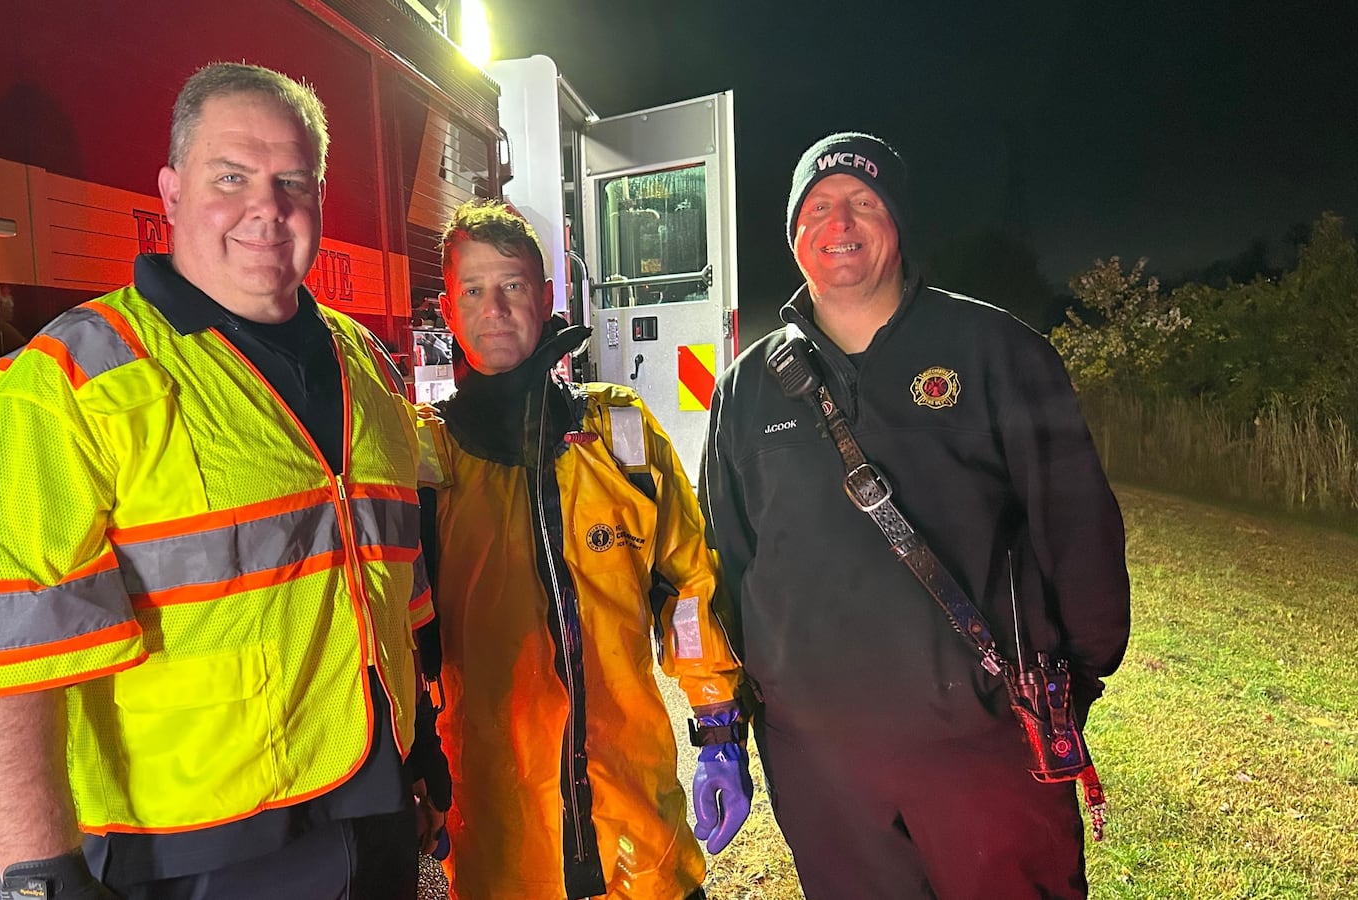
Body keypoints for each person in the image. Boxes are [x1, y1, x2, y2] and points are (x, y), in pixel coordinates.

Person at [0, 63, 434, 899]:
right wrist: (40, 874)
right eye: (231, 177)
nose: (267, 207)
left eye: (291, 180)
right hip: (192, 857)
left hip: (372, 819)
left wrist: (425, 743)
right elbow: (2, 655)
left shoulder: (366, 366)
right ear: (171, 192)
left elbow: (392, 582)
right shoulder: (69, 381)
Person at [699, 132, 1131, 899]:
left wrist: (1073, 684)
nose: (842, 222)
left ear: (897, 222)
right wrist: (742, 713)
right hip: (822, 766)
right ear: (794, 231)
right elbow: (726, 560)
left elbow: (1079, 530)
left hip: (987, 748)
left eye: (865, 203)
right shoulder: (745, 390)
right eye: (821, 206)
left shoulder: (996, 351)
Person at [414, 199, 751, 900]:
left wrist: (718, 722)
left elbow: (688, 587)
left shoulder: (619, 434)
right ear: (448, 310)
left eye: (511, 287)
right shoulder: (427, 458)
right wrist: (413, 765)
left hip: (638, 825)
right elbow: (399, 630)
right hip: (502, 841)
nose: (495, 308)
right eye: (473, 290)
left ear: (544, 300)